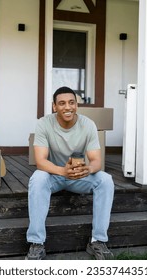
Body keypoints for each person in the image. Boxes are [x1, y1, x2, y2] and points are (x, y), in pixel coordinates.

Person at [25, 86, 115, 260]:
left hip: (78, 177)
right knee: (37, 178)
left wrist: (88, 169)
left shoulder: (88, 124)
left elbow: (96, 160)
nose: (68, 107)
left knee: (106, 180)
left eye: (71, 102)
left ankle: (98, 241)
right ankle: (36, 243)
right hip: (54, 175)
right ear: (54, 107)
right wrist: (62, 171)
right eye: (62, 103)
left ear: (76, 105)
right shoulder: (44, 123)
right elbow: (40, 161)